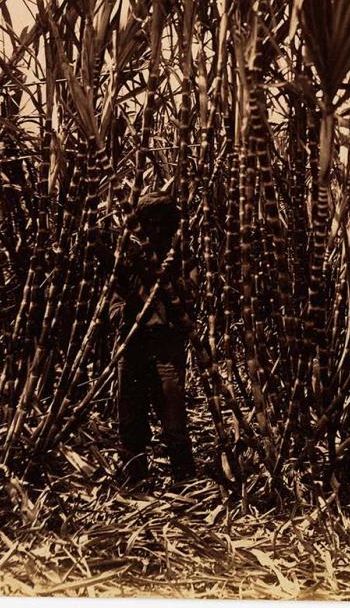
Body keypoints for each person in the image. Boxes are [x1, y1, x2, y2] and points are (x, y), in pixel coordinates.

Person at [106, 191, 195, 486]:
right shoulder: (128, 262)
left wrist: (170, 282)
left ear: (172, 225)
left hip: (166, 348)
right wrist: (128, 313)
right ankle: (135, 480)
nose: (156, 229)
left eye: (162, 222)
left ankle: (185, 480)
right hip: (132, 347)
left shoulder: (182, 262)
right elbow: (113, 304)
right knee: (130, 420)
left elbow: (190, 304)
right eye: (150, 222)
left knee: (173, 417)